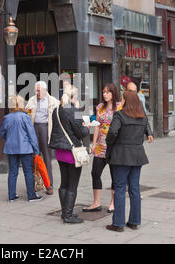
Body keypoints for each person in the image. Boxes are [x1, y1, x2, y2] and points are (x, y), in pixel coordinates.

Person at [105, 90, 153, 232]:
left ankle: (118, 223)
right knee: (134, 188)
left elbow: (112, 132)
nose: (121, 102)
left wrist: (110, 143)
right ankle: (134, 221)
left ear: (126, 101)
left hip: (121, 155)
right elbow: (146, 130)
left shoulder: (120, 115)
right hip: (137, 155)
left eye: (123, 99)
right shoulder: (142, 117)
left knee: (120, 188)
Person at [49, 86, 90, 224]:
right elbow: (82, 132)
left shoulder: (57, 109)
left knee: (64, 182)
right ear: (73, 96)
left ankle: (65, 212)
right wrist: (87, 127)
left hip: (60, 152)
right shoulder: (73, 110)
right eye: (76, 95)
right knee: (72, 184)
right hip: (73, 152)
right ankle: (68, 215)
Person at [0, 95, 43, 202]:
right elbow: (32, 135)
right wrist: (36, 150)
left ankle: (11, 196)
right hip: (25, 148)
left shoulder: (7, 117)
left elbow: (2, 133)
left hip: (11, 148)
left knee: (13, 172)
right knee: (28, 172)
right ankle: (31, 196)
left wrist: (9, 139)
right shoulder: (25, 117)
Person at [84, 83, 119, 214]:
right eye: (104, 92)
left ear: (113, 93)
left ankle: (113, 203)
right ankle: (96, 202)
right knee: (95, 173)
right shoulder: (100, 107)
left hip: (114, 147)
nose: (105, 94)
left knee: (115, 176)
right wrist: (93, 144)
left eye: (107, 92)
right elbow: (98, 126)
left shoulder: (119, 107)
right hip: (100, 146)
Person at [26, 81, 60, 195]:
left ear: (45, 90)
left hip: (46, 129)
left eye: (39, 90)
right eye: (36, 90)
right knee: (34, 157)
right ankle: (34, 185)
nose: (37, 93)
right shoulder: (31, 100)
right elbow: (27, 114)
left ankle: (49, 185)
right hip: (34, 128)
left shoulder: (53, 101)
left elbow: (58, 117)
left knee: (47, 158)